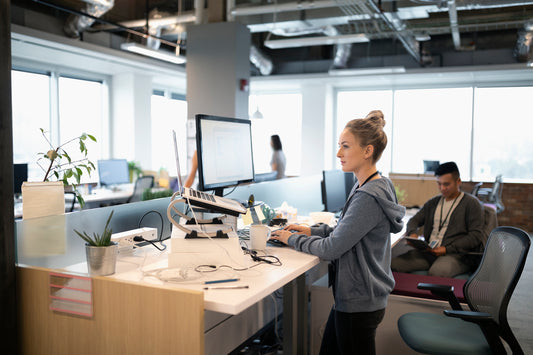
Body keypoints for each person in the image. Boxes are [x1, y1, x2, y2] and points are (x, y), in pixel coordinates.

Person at [271, 110, 405, 355]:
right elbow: (347, 231)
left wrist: (292, 239)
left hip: (359, 301)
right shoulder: (372, 183)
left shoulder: (367, 196)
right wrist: (311, 230)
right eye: (339, 146)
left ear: (368, 151)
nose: (338, 153)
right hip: (357, 297)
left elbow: (333, 248)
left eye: (345, 146)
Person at [391, 161, 485, 278]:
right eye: (439, 184)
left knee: (438, 272)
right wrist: (413, 234)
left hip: (456, 255)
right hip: (429, 252)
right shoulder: (433, 202)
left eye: (446, 184)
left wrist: (447, 249)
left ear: (458, 181)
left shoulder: (471, 203)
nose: (442, 188)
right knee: (392, 264)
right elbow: (414, 221)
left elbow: (476, 236)